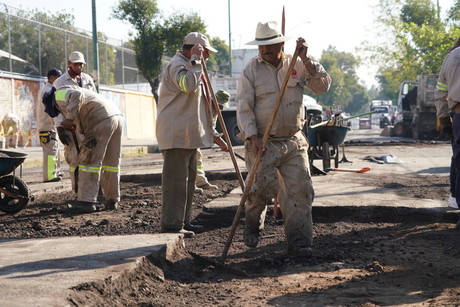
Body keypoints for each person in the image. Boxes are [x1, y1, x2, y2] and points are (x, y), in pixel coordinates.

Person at [236, 21, 331, 255]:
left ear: (280, 44)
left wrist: (307, 60)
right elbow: (244, 107)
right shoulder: (251, 70)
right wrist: (252, 136)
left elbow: (322, 87)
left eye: (269, 45)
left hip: (293, 141)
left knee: (300, 191)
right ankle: (252, 227)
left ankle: (299, 243)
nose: (264, 50)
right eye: (261, 46)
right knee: (258, 192)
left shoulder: (297, 64)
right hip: (263, 142)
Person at [156, 32, 217, 237]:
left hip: (187, 137)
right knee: (176, 183)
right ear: (197, 50)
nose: (208, 57)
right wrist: (196, 61)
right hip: (176, 135)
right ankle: (172, 225)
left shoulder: (191, 66)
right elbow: (189, 86)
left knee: (188, 183)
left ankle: (184, 221)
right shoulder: (178, 65)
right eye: (206, 53)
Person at [54, 87, 123, 213]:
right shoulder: (86, 94)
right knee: (111, 162)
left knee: (88, 160)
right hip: (115, 116)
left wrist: (69, 118)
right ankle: (112, 199)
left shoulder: (58, 93)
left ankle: (86, 201)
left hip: (99, 118)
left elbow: (76, 94)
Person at [53, 51, 97, 194]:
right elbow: (54, 107)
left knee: (90, 156)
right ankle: (77, 191)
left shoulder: (88, 79)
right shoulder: (59, 83)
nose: (79, 67)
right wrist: (59, 127)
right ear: (69, 64)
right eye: (76, 64)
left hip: (88, 125)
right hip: (70, 126)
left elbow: (96, 100)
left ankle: (90, 189)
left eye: (81, 64)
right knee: (74, 159)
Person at [436, 37, 460, 229]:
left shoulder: (451, 57)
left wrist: (443, 117)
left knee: (458, 159)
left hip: (458, 115)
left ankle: (456, 198)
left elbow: (440, 90)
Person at [195, 89, 230, 192]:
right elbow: (208, 129)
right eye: (221, 105)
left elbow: (211, 128)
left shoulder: (215, 110)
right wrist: (222, 144)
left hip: (195, 138)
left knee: (197, 157)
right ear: (214, 101)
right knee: (190, 160)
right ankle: (190, 185)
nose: (222, 108)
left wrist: (221, 142)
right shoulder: (206, 108)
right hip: (188, 136)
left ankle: (201, 182)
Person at [37, 68, 64, 182]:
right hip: (46, 126)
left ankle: (55, 172)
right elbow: (50, 109)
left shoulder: (48, 89)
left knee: (54, 150)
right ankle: (49, 176)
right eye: (58, 78)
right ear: (51, 78)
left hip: (49, 125)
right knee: (50, 152)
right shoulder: (47, 91)